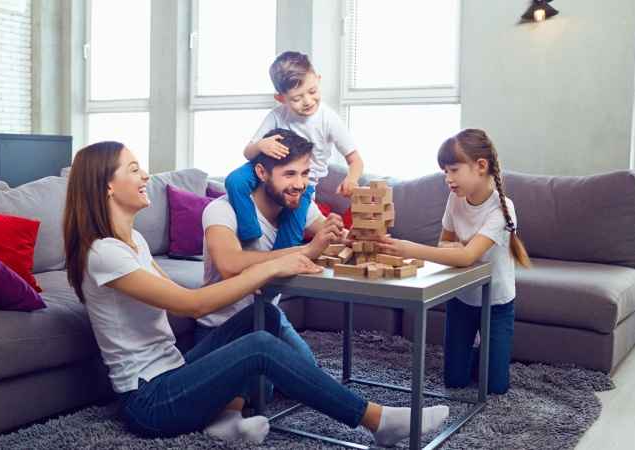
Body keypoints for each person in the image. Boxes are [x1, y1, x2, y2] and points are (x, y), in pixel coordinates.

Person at [63, 141, 449, 446]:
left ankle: (225, 419)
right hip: (148, 401)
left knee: (257, 318)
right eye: (134, 169)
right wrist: (270, 266)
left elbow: (178, 292)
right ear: (107, 185)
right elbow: (192, 304)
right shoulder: (104, 253)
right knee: (260, 346)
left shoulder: (133, 241)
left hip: (173, 372)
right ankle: (377, 421)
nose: (146, 174)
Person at [377, 129, 531, 395]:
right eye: (444, 172)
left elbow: (467, 255)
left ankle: (490, 354)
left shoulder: (503, 207)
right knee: (454, 381)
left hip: (496, 301)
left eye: (453, 170)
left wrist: (410, 248)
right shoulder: (455, 199)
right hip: (462, 298)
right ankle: (475, 353)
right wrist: (456, 250)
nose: (447, 179)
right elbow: (444, 244)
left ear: (480, 166)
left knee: (495, 386)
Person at [198, 128, 345, 398]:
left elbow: (333, 241)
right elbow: (230, 264)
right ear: (262, 173)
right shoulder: (222, 209)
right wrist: (307, 249)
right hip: (223, 324)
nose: (300, 184)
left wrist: (345, 234)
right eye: (289, 174)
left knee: (307, 371)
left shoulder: (299, 204)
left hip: (268, 315)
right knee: (262, 392)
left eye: (304, 173)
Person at [225, 50, 364, 249]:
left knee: (291, 225)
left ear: (318, 79)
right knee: (235, 180)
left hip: (302, 184)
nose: (307, 101)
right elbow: (248, 152)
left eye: (313, 91)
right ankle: (250, 233)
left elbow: (356, 160)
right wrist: (260, 145)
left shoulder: (329, 119)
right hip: (267, 172)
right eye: (297, 98)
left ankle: (283, 257)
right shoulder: (276, 115)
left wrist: (352, 178)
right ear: (281, 98)